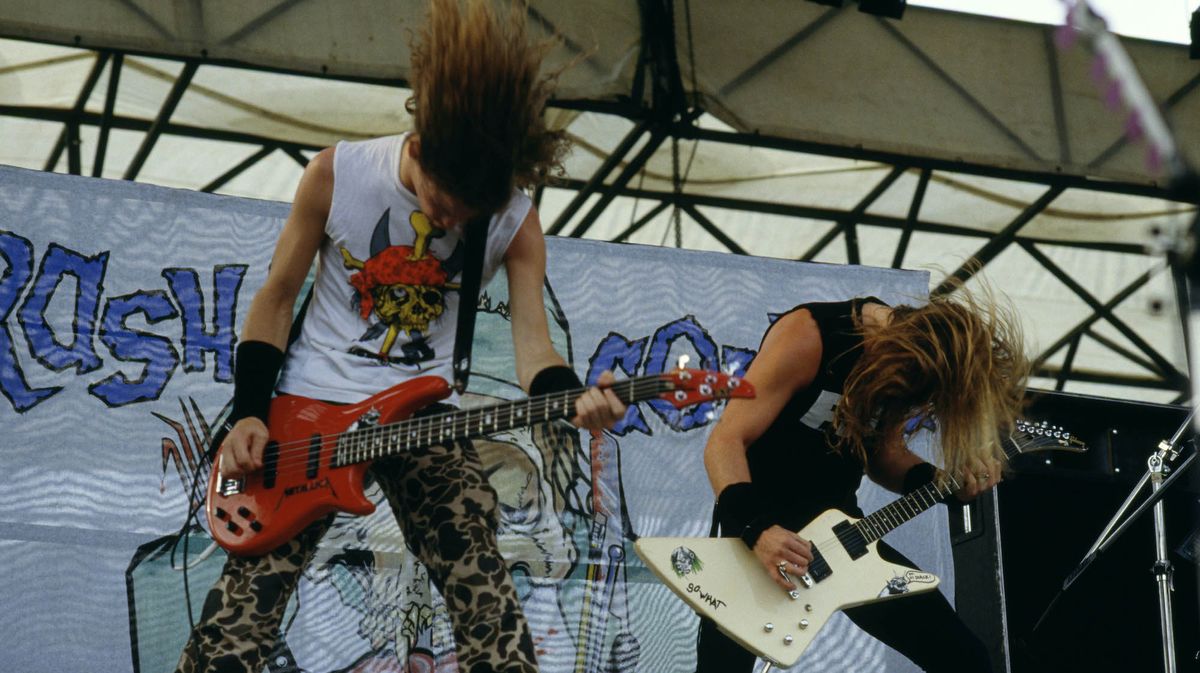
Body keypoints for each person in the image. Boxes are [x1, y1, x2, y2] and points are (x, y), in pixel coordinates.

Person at [173, 2, 626, 672]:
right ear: (417, 147)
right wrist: (247, 410)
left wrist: (574, 396)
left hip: (421, 417)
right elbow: (274, 297)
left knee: (484, 587)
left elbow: (535, 346)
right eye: (442, 204)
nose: (451, 220)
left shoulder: (512, 221)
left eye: (467, 213)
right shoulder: (337, 174)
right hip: (307, 412)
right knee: (245, 610)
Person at [698, 291, 1029, 673]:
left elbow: (884, 456)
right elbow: (725, 442)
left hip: (843, 538)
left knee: (964, 658)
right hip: (754, 532)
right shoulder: (810, 336)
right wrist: (758, 530)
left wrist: (945, 484)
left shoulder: (905, 368)